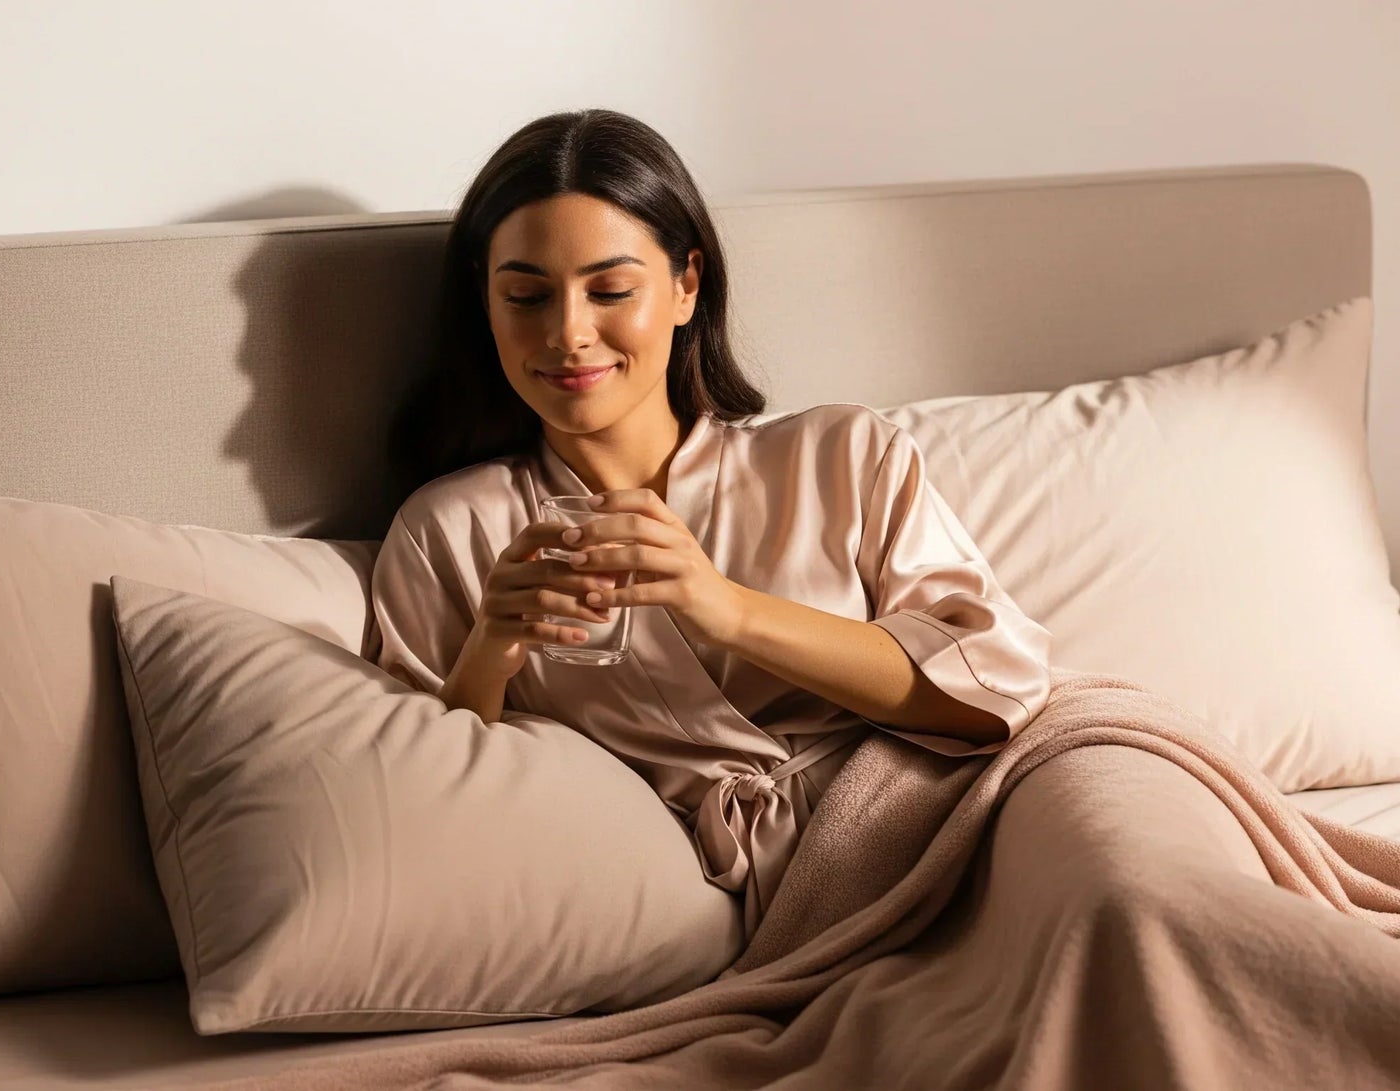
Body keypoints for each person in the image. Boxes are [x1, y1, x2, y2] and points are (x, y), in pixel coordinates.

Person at [371, 108, 1053, 937]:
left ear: (687, 284)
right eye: (525, 296)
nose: (567, 333)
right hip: (807, 907)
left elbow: (997, 690)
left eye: (612, 290)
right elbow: (409, 810)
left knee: (1146, 910)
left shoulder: (841, 455)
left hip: (990, 813)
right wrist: (489, 653)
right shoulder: (451, 531)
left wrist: (724, 606)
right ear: (486, 300)